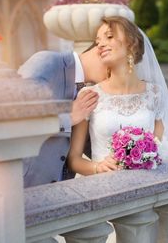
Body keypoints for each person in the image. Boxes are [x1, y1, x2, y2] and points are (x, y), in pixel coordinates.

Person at [67, 16, 168, 175]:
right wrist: (97, 167)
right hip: (102, 187)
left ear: (131, 43)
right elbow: (73, 159)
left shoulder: (154, 94)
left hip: (144, 185)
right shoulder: (90, 95)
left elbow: (161, 148)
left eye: (109, 36)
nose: (100, 45)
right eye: (98, 41)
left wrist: (147, 158)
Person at [18, 45, 108, 186]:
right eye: (112, 67)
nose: (113, 74)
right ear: (101, 51)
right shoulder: (46, 62)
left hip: (61, 192)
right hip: (24, 187)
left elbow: (89, 143)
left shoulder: (88, 91)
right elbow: (17, 115)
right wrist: (69, 117)